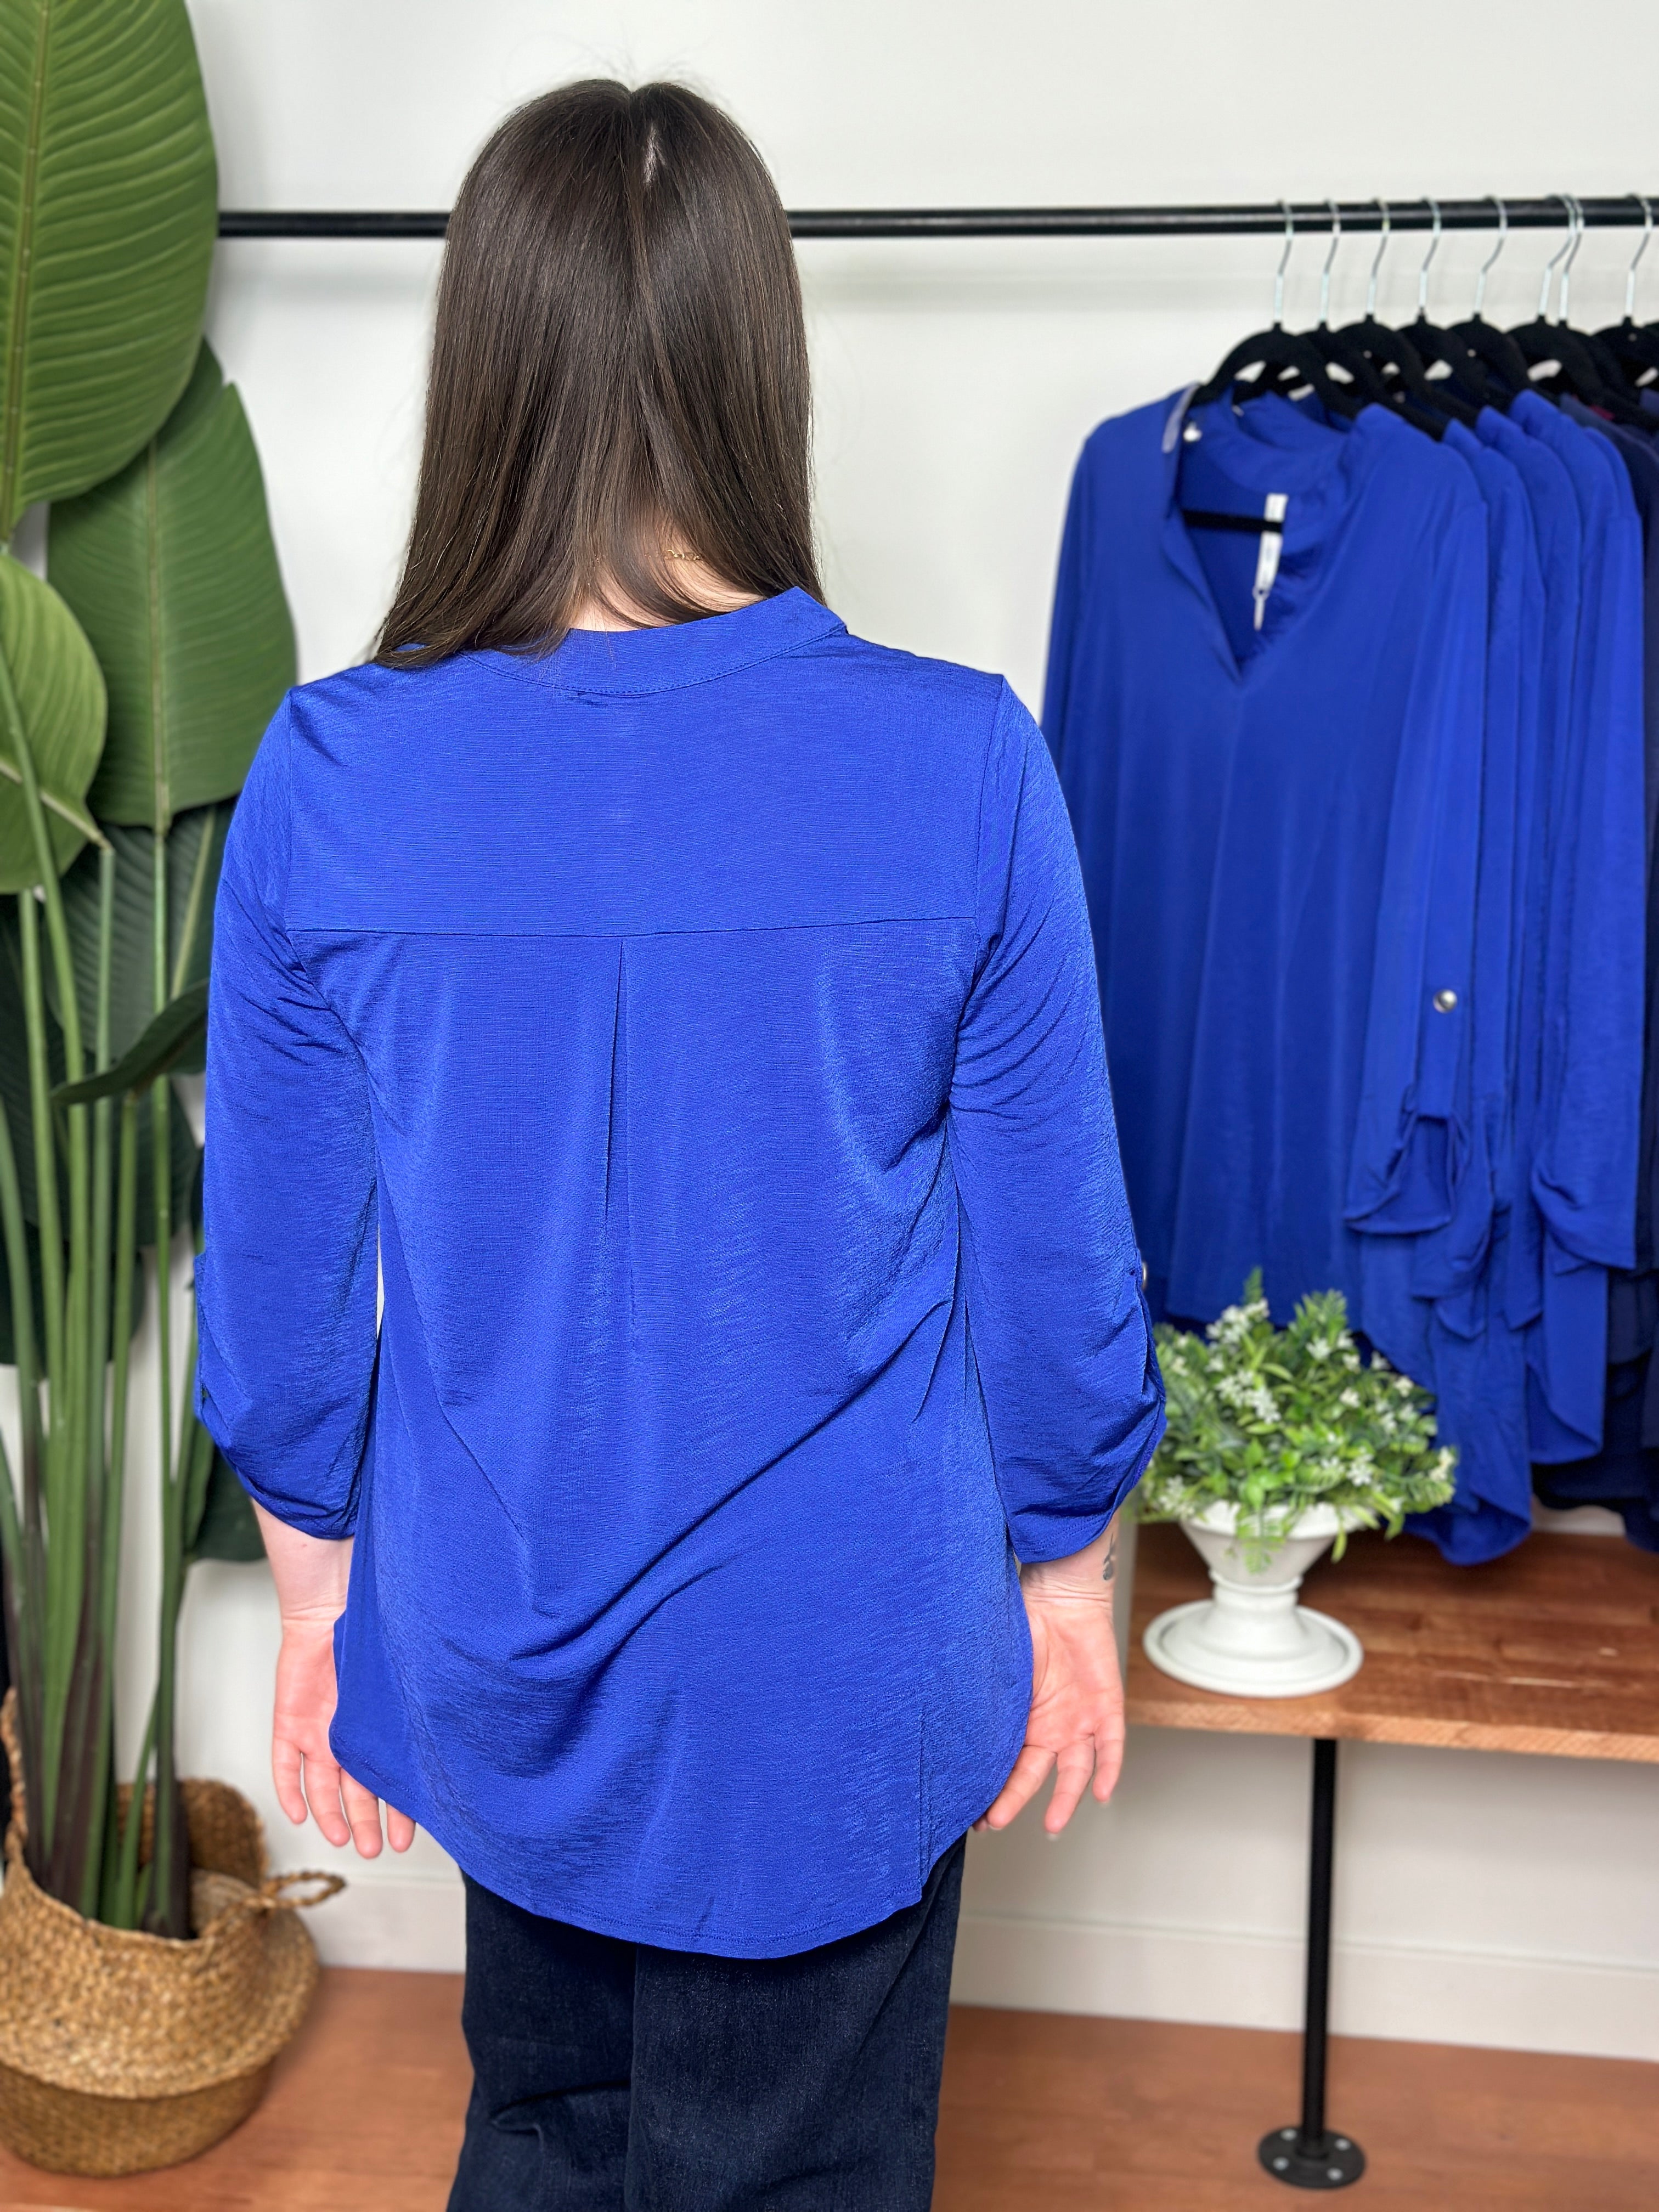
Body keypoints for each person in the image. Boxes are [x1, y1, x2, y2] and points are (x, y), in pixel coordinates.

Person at [195, 77, 1164, 2212]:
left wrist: (320, 1612)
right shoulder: (960, 765)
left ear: (485, 366)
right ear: (755, 363)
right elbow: (1059, 1278)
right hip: (843, 1664)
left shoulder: (332, 776)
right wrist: (1068, 1583)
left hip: (499, 1650)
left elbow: (275, 1303)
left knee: (545, 2136)